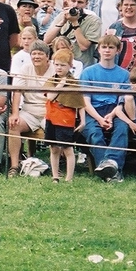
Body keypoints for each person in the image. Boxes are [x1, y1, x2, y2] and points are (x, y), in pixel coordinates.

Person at [80, 34, 136, 183]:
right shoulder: (88, 72)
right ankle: (113, 172)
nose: (107, 50)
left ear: (117, 50)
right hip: (93, 110)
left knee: (122, 130)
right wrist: (99, 118)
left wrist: (111, 116)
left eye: (111, 47)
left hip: (114, 110)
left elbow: (121, 101)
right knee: (94, 133)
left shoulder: (124, 74)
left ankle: (110, 168)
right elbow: (85, 101)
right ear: (98, 49)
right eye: (104, 47)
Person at [6, 40, 54, 178]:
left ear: (47, 56)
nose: (36, 57)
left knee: (55, 127)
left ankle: (56, 166)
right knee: (13, 125)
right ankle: (14, 165)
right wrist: (15, 113)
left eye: (40, 54)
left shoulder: (54, 70)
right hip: (29, 111)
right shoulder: (25, 69)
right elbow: (17, 92)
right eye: (34, 54)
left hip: (49, 111)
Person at [44, 48, 84, 182]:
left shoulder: (74, 83)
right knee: (54, 148)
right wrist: (60, 85)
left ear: (70, 66)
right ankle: (55, 176)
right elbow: (50, 96)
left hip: (66, 120)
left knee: (67, 149)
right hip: (51, 118)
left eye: (63, 65)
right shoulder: (52, 80)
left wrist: (83, 121)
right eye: (56, 64)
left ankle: (69, 178)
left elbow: (80, 103)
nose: (59, 67)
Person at [44, 0, 101, 68]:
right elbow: (46, 40)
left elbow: (84, 47)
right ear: (68, 1)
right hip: (61, 66)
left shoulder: (94, 21)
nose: (75, 5)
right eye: (73, 1)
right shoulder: (62, 15)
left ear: (86, 4)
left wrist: (75, 22)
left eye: (80, 2)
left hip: (82, 65)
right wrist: (62, 22)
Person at [108, 0, 136, 70]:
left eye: (132, 5)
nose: (129, 7)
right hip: (118, 75)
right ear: (121, 7)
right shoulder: (114, 27)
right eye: (125, 5)